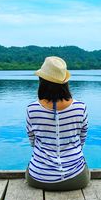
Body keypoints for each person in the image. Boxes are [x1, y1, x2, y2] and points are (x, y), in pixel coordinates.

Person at [25, 56, 90, 190]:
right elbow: (82, 140)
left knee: (31, 165)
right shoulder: (80, 107)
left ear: (41, 81)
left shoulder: (32, 109)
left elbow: (32, 142)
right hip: (76, 179)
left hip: (39, 178)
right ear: (65, 82)